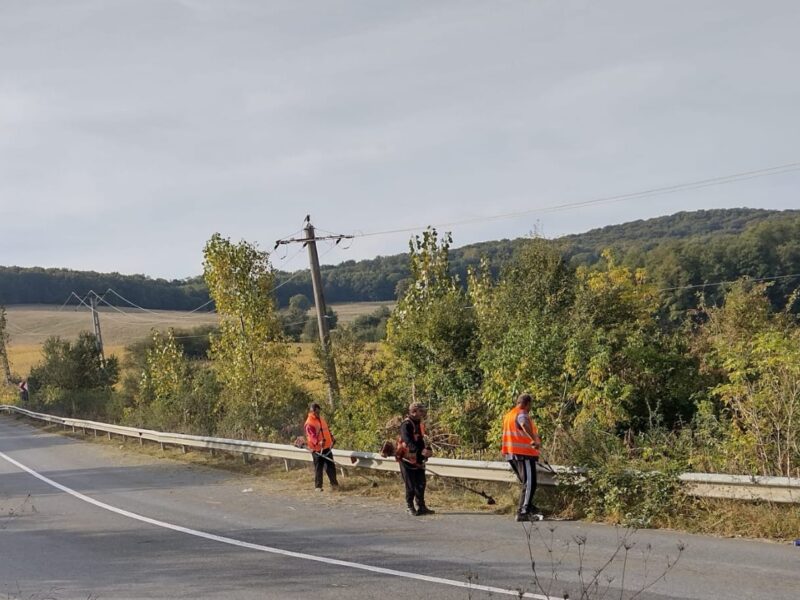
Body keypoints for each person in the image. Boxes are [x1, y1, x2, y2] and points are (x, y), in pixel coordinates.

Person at [501, 393, 542, 521]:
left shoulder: (509, 414)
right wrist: (534, 439)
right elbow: (524, 424)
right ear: (527, 403)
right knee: (529, 483)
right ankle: (522, 512)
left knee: (527, 482)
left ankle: (528, 506)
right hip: (523, 454)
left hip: (511, 453)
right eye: (531, 405)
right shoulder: (522, 413)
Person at [396, 402, 434, 516]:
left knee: (421, 483)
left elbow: (422, 440)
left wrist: (427, 450)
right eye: (421, 411)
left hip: (418, 459)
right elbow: (408, 441)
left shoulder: (420, 424)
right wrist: (419, 450)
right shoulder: (406, 425)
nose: (423, 413)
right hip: (407, 459)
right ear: (414, 411)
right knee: (411, 485)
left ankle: (421, 506)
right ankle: (410, 506)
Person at [304, 402, 338, 492]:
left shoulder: (321, 419)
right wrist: (318, 442)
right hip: (317, 450)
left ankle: (334, 485)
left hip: (326, 447)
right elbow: (311, 436)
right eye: (317, 412)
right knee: (319, 468)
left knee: (331, 466)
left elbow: (326, 430)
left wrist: (332, 438)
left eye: (319, 411)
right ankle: (318, 486)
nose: (318, 413)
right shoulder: (309, 423)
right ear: (313, 411)